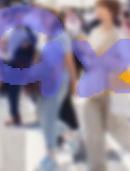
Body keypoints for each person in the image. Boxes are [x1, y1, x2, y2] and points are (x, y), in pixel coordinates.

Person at [80, 0, 130, 171]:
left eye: (100, 7)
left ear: (109, 10)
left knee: (113, 123)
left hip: (111, 87)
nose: (96, 10)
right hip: (93, 86)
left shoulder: (118, 34)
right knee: (93, 132)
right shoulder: (94, 32)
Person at [35, 10, 80, 171]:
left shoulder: (62, 36)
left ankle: (51, 156)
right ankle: (71, 135)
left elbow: (69, 61)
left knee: (49, 117)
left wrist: (74, 83)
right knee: (42, 115)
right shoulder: (43, 36)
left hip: (59, 81)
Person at [3, 19, 37, 127]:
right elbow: (5, 46)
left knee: (31, 89)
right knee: (12, 92)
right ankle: (15, 116)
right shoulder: (8, 30)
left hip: (24, 64)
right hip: (11, 64)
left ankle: (43, 112)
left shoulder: (27, 30)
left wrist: (28, 43)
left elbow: (35, 41)